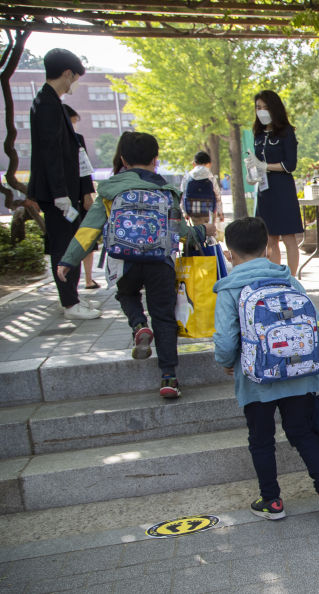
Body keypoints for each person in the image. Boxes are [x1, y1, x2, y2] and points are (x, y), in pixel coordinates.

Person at [57, 132, 215, 399]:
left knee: (126, 293)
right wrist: (203, 231)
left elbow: (89, 229)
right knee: (164, 317)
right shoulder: (167, 191)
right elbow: (179, 232)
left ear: (123, 160)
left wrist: (68, 261)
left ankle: (139, 325)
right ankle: (169, 378)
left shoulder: (109, 190)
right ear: (155, 160)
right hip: (160, 264)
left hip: (124, 263)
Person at [212, 216, 319, 520]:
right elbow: (318, 324)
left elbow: (224, 340)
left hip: (255, 380)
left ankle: (272, 502)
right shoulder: (289, 280)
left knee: (261, 439)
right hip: (300, 375)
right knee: (302, 432)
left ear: (229, 254)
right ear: (268, 249)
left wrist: (226, 362)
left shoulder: (229, 289)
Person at [26, 49, 100, 320]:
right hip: (58, 192)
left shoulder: (50, 102)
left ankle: (72, 299)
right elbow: (51, 152)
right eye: (75, 77)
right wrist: (60, 194)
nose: (74, 84)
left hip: (63, 191)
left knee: (70, 242)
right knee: (65, 245)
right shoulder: (46, 104)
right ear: (67, 73)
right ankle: (70, 304)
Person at [252, 90, 302, 276]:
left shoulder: (286, 132)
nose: (262, 111)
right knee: (269, 237)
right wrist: (254, 171)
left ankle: (292, 278)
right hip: (265, 189)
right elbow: (257, 163)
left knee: (289, 236)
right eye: (258, 107)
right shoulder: (257, 134)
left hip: (283, 188)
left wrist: (266, 166)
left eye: (265, 107)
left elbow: (291, 164)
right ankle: (275, 277)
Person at [63, 105, 100, 290]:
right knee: (66, 241)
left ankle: (88, 278)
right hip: (60, 199)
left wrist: (87, 194)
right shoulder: (49, 140)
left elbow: (84, 169)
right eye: (72, 121)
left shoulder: (77, 140)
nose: (73, 126)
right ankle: (69, 284)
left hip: (78, 197)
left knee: (86, 237)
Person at [179, 151, 224, 228]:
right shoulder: (210, 177)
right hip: (209, 212)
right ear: (209, 164)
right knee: (209, 234)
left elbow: (182, 195)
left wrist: (184, 212)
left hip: (192, 212)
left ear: (194, 163)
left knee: (196, 234)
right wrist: (220, 213)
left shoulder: (188, 176)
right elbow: (217, 196)